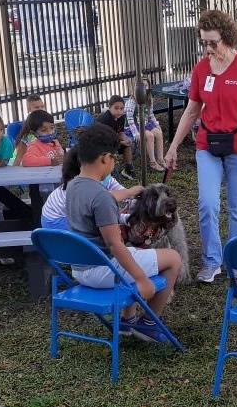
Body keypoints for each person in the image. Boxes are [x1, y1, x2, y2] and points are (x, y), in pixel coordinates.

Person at [164, 10, 237, 283]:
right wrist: (173, 147)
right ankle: (211, 261)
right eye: (204, 43)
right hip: (208, 142)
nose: (208, 49)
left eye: (213, 43)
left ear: (227, 38)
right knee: (208, 203)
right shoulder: (201, 68)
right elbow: (191, 112)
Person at [66, 124, 182, 343]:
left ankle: (127, 321)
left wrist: (129, 192)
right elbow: (115, 245)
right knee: (173, 258)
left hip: (79, 269)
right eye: (114, 158)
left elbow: (104, 199)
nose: (114, 162)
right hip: (103, 270)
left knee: (132, 251)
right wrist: (142, 280)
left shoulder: (73, 186)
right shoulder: (101, 198)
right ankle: (149, 323)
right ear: (104, 158)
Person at [41, 146, 143, 230]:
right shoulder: (78, 185)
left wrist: (132, 200)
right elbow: (101, 203)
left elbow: (118, 190)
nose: (113, 160)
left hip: (68, 218)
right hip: (57, 223)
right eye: (110, 157)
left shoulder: (103, 177)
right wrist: (126, 217)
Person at [125, 78, 166, 172]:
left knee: (158, 133)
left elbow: (151, 115)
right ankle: (152, 162)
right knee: (150, 136)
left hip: (145, 124)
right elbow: (129, 119)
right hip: (134, 126)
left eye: (146, 86)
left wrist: (156, 124)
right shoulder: (132, 101)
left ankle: (160, 159)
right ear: (137, 88)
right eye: (142, 86)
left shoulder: (149, 99)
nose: (145, 88)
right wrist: (135, 133)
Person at [97, 95, 135, 181]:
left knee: (127, 145)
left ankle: (128, 169)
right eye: (116, 108)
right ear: (110, 107)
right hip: (100, 144)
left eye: (121, 109)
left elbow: (120, 132)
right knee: (111, 149)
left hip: (112, 141)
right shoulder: (105, 119)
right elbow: (106, 140)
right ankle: (110, 172)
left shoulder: (121, 117)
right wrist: (121, 142)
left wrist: (125, 139)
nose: (119, 111)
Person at [10, 95, 46, 166]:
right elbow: (18, 158)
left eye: (42, 106)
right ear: (29, 109)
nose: (40, 109)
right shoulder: (28, 137)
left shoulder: (47, 121)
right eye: (37, 107)